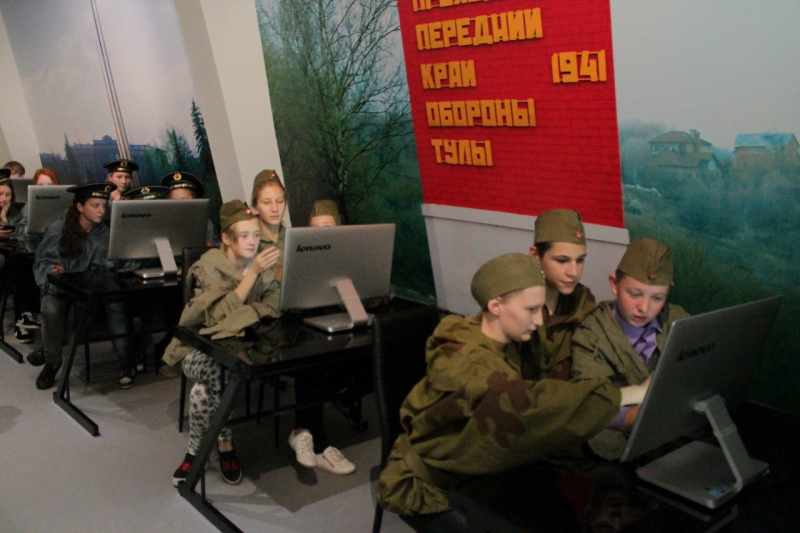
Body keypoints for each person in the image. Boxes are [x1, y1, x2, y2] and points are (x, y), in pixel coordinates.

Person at [376, 253, 650, 532]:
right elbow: (522, 402)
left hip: (482, 471)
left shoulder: (510, 342)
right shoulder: (464, 358)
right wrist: (624, 395)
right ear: (496, 305)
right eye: (531, 310)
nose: (539, 321)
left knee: (562, 513)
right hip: (430, 486)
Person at [165, 200, 281, 487]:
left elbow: (274, 303)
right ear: (227, 239)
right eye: (245, 235)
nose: (253, 242)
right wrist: (251, 277)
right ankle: (225, 443)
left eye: (256, 234)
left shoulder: (261, 264)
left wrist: (243, 312)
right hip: (196, 350)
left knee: (201, 393)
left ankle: (195, 451)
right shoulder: (209, 266)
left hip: (241, 347)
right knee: (219, 369)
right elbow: (217, 317)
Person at [570, 238, 690, 460]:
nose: (644, 308)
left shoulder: (679, 321)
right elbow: (591, 404)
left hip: (676, 437)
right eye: (634, 294)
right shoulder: (592, 335)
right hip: (618, 446)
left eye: (657, 298)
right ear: (614, 284)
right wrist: (631, 418)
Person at [27, 183, 141, 390]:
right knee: (51, 309)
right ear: (80, 207)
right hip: (58, 289)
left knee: (104, 307)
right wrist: (59, 280)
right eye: (95, 205)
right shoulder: (58, 229)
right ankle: (52, 363)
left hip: (89, 289)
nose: (101, 211)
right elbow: (42, 264)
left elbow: (105, 265)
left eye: (104, 206)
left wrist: (69, 269)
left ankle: (126, 363)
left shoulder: (103, 232)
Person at [521, 209, 596, 382]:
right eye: (562, 260)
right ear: (535, 255)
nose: (574, 272)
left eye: (580, 260)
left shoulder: (583, 302)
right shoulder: (513, 300)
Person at [0, 170, 39, 343]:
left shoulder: (17, 212)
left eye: (8, 194)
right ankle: (24, 316)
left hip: (14, 259)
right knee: (20, 268)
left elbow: (21, 235)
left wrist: (4, 217)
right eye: (0, 194)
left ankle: (24, 317)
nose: (4, 198)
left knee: (25, 265)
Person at [161, 171, 220, 246]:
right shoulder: (164, 223)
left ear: (194, 201)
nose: (179, 204)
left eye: (184, 200)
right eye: (174, 200)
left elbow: (212, 248)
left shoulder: (204, 222)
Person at [250, 169, 286, 257]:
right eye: (266, 202)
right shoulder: (250, 244)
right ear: (255, 208)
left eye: (280, 201)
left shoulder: (294, 240)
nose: (275, 208)